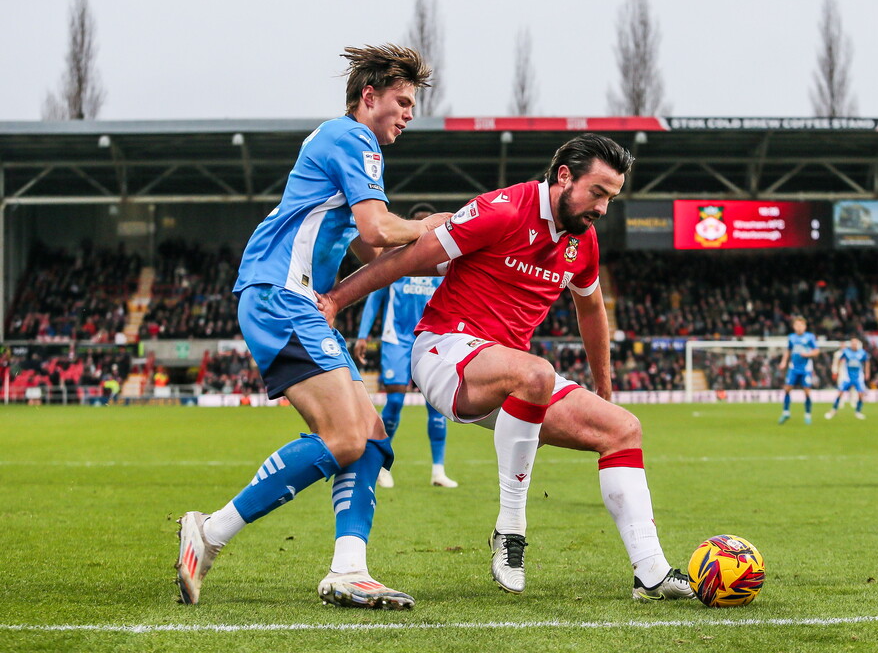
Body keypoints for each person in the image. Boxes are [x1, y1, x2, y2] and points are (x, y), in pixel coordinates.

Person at [319, 133, 694, 602]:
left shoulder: (583, 242)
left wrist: (604, 385)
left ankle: (652, 572)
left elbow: (592, 310)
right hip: (444, 351)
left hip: (511, 374)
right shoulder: (502, 209)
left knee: (622, 429)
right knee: (534, 373)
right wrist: (335, 299)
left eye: (611, 198)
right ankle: (510, 531)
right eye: (597, 193)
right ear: (564, 177)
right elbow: (407, 260)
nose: (602, 207)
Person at [175, 44, 450, 610]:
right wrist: (438, 227)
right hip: (280, 293)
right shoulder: (355, 139)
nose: (408, 114)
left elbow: (367, 241)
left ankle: (349, 569)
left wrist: (421, 247)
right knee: (346, 436)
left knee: (371, 434)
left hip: (295, 299)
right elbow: (379, 228)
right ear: (368, 97)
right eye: (401, 102)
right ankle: (212, 532)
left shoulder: (343, 142)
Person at [354, 203, 457, 489]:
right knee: (395, 400)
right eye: (420, 224)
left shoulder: (443, 265)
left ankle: (438, 470)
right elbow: (375, 296)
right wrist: (363, 335)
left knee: (436, 406)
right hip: (396, 339)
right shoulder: (397, 260)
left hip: (431, 337)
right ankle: (381, 467)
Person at [777, 315, 820, 425]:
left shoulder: (810, 337)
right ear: (794, 326)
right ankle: (786, 412)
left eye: (801, 325)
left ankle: (807, 414)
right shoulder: (791, 337)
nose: (799, 327)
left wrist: (807, 354)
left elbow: (816, 351)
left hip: (805, 368)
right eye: (797, 325)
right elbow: (788, 350)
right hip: (793, 367)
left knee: (806, 391)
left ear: (805, 326)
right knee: (787, 389)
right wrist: (783, 362)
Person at [827, 338, 870, 420]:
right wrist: (838, 370)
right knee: (840, 393)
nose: (854, 345)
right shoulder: (846, 352)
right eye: (852, 343)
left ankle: (858, 412)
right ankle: (834, 410)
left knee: (861, 395)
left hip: (858, 377)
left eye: (855, 343)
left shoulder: (862, 353)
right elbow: (839, 360)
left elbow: (867, 362)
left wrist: (867, 373)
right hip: (847, 377)